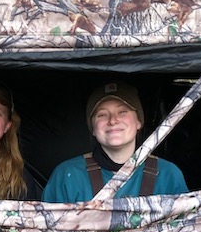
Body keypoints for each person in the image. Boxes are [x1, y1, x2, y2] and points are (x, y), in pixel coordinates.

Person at [42, 79, 189, 203]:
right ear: (93, 128)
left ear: (138, 122)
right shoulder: (67, 175)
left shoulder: (168, 175)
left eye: (122, 112)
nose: (113, 120)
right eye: (102, 115)